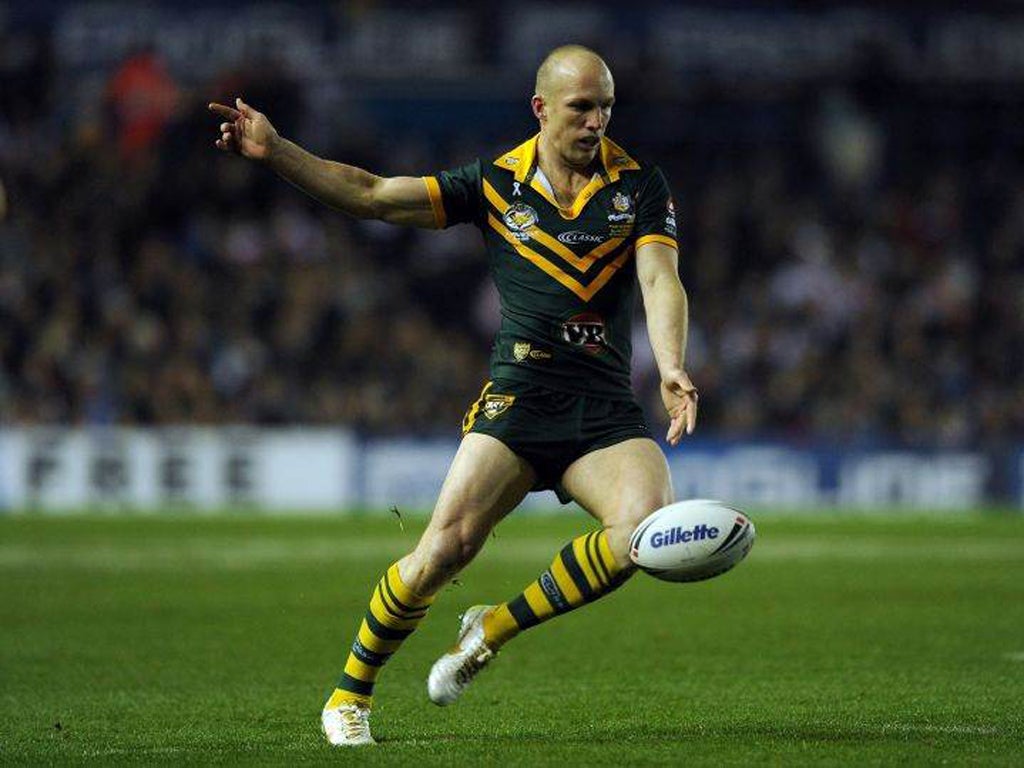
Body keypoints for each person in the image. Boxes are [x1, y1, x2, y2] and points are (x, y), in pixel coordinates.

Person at [209, 44, 697, 747]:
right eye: (581, 108)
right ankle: (349, 695)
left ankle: (492, 627)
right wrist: (278, 151)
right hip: (520, 397)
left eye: (607, 108)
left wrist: (673, 363)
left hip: (604, 409)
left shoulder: (638, 185)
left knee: (644, 531)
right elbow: (372, 194)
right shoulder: (494, 184)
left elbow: (660, 279)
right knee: (444, 551)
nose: (597, 123)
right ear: (541, 108)